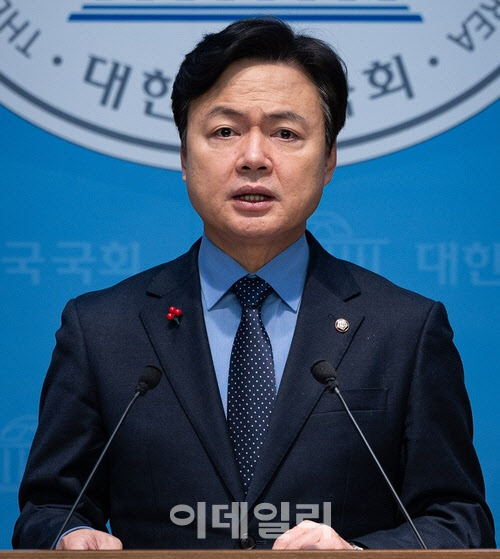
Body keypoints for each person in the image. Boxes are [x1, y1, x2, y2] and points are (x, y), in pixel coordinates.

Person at [13, 18, 495, 550]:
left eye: (286, 133)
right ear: (184, 155)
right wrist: (70, 535)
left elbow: (458, 518)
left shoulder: (404, 329)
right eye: (225, 131)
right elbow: (48, 508)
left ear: (329, 159)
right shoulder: (102, 329)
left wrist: (359, 555)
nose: (253, 158)